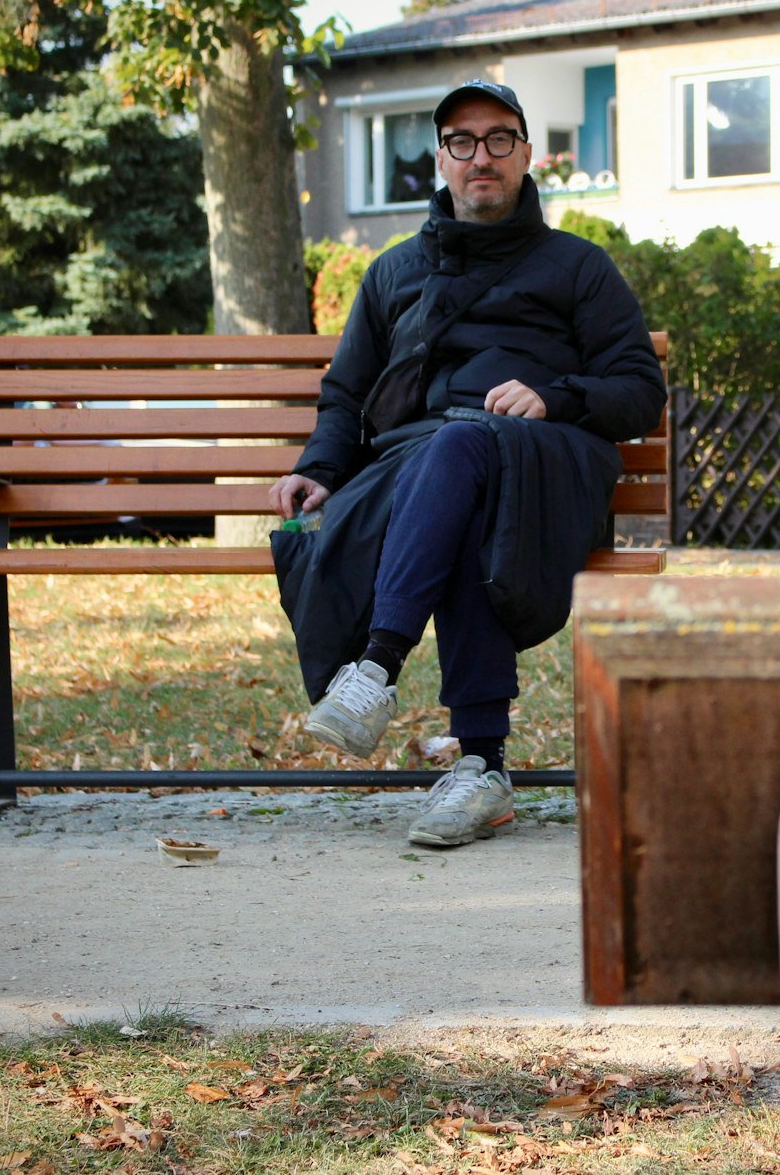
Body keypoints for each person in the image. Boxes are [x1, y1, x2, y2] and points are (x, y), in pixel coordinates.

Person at [268, 80, 666, 849]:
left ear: (524, 153)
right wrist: (321, 465)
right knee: (460, 482)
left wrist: (554, 395)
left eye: (497, 140)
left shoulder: (578, 267)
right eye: (461, 141)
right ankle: (482, 767)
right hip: (430, 470)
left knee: (465, 442)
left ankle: (377, 669)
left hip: (549, 461)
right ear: (442, 160)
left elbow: (638, 390)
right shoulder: (392, 274)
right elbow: (347, 394)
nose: (479, 156)